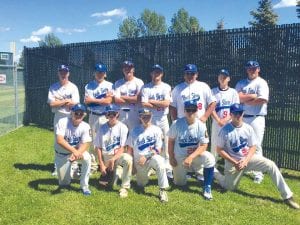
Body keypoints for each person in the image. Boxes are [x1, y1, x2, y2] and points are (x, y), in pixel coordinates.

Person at [216, 103, 299, 209]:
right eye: (236, 113)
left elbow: (253, 147)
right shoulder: (225, 130)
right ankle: (214, 173)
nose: (238, 115)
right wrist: (234, 162)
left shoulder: (248, 128)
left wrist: (246, 161)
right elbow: (219, 150)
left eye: (240, 113)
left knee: (271, 165)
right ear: (231, 114)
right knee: (228, 187)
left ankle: (287, 196)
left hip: (247, 160)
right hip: (233, 162)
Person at [168, 101, 215, 200]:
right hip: (179, 157)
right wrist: (171, 157)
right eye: (188, 110)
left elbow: (204, 145)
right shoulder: (176, 123)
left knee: (210, 158)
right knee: (179, 183)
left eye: (193, 110)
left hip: (194, 156)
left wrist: (191, 157)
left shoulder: (201, 125)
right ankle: (185, 171)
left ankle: (207, 186)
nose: (191, 112)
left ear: (197, 111)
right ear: (184, 111)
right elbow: (171, 141)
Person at [235, 61, 269, 184]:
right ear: (246, 69)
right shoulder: (241, 83)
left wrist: (246, 99)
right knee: (243, 144)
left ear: (258, 69)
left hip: (256, 117)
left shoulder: (261, 82)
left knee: (256, 144)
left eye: (254, 68)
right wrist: (253, 96)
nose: (252, 70)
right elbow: (237, 97)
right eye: (249, 68)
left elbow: (263, 99)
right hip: (242, 117)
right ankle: (245, 167)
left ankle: (258, 172)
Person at [127, 108, 169, 203]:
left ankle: (162, 190)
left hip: (151, 157)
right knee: (141, 184)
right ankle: (148, 172)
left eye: (148, 116)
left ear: (151, 116)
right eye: (144, 117)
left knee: (160, 161)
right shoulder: (134, 130)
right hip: (139, 161)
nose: (146, 118)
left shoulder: (157, 130)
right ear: (140, 117)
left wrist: (146, 156)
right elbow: (129, 150)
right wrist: (132, 166)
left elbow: (158, 149)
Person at [140, 64, 172, 178]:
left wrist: (151, 101)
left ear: (162, 74)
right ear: (151, 73)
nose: (156, 74)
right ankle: (151, 167)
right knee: (151, 144)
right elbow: (144, 103)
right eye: (154, 72)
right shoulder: (145, 87)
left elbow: (166, 103)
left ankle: (167, 168)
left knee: (166, 144)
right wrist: (159, 104)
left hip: (163, 119)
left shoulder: (166, 87)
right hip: (150, 120)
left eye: (158, 72)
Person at [94, 104, 133, 198]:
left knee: (128, 158)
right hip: (106, 158)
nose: (112, 116)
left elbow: (122, 148)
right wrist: (102, 165)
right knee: (107, 186)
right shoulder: (102, 128)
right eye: (109, 114)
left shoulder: (123, 127)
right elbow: (98, 148)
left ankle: (124, 187)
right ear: (106, 115)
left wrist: (113, 160)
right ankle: (116, 173)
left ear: (118, 114)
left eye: (114, 114)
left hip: (117, 156)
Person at [48, 64, 80, 176]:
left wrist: (59, 101)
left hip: (71, 117)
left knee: (73, 140)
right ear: (58, 73)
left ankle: (74, 166)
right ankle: (57, 166)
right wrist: (66, 100)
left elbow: (75, 103)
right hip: (59, 116)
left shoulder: (73, 87)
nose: (63, 74)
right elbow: (52, 103)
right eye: (61, 72)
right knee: (58, 141)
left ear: (68, 73)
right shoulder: (53, 87)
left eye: (65, 72)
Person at [54, 103, 92, 196]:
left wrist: (77, 153)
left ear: (84, 115)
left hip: (76, 152)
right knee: (64, 183)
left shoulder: (85, 126)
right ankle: (73, 170)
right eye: (76, 113)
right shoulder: (63, 121)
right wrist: (74, 151)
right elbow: (59, 140)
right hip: (62, 154)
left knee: (87, 158)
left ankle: (84, 185)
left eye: (81, 113)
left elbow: (87, 143)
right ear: (71, 113)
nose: (78, 115)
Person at [84, 63, 113, 173]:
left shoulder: (110, 85)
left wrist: (94, 100)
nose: (99, 74)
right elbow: (87, 102)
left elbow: (109, 101)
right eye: (97, 72)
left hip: (105, 116)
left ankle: (105, 163)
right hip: (93, 115)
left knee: (106, 139)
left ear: (105, 74)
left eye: (101, 72)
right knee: (93, 140)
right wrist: (102, 101)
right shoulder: (88, 86)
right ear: (94, 73)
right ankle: (93, 165)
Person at [211, 69, 239, 159]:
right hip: (216, 122)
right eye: (221, 77)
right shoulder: (213, 91)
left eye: (225, 77)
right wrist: (218, 120)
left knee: (230, 143)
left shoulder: (233, 92)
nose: (222, 78)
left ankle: (229, 163)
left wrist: (226, 119)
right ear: (218, 78)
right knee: (215, 144)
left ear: (229, 79)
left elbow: (235, 109)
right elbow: (210, 108)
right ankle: (213, 166)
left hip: (229, 122)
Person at [113, 60, 144, 130]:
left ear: (133, 69)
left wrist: (122, 96)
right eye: (125, 68)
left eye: (130, 68)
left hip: (134, 113)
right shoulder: (118, 83)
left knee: (134, 136)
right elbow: (117, 100)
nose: (127, 70)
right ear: (123, 70)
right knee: (121, 138)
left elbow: (138, 99)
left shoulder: (139, 82)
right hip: (121, 113)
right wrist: (132, 99)